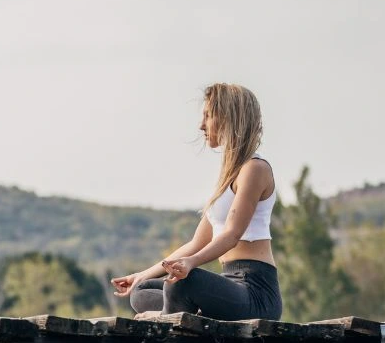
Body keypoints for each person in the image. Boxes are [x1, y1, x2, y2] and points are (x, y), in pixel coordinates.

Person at [111, 83, 283, 321]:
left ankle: (167, 316)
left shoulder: (255, 168)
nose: (201, 125)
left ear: (227, 118)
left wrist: (190, 264)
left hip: (255, 293)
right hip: (230, 286)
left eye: (208, 116)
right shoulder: (228, 177)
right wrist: (141, 274)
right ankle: (185, 312)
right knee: (141, 291)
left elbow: (232, 234)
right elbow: (196, 243)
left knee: (183, 283)